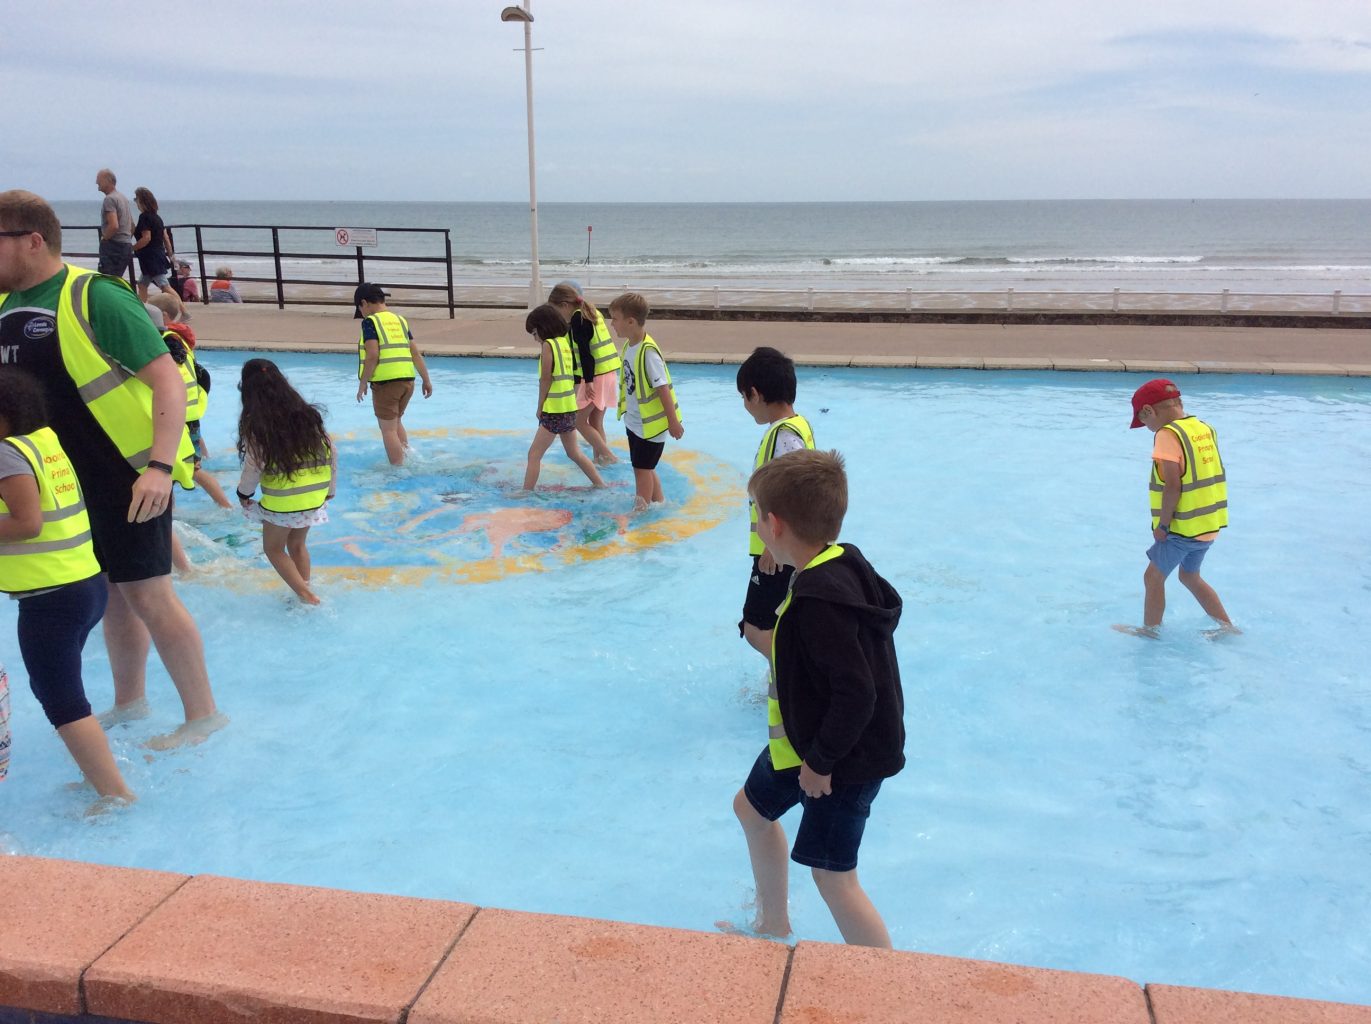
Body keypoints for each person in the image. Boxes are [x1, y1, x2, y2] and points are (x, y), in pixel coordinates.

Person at [0, 189, 224, 751]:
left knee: (149, 594)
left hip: (126, 476)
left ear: (32, 241)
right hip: (63, 482)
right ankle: (130, 701)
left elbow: (168, 380)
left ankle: (203, 716)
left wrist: (160, 467)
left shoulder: (93, 296)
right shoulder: (5, 305)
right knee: (112, 594)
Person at [725, 449, 905, 948]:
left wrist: (821, 764)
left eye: (756, 516)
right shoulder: (833, 562)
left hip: (841, 761)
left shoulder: (819, 602)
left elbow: (858, 694)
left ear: (775, 525)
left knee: (833, 876)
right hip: (802, 744)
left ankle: (888, 981)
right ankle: (772, 925)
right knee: (751, 811)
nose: (755, 527)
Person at [0, 366, 135, 803]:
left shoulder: (5, 454)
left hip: (52, 598)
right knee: (57, 691)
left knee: (63, 702)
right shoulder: (43, 441)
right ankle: (100, 776)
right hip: (84, 584)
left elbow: (27, 522)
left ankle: (115, 795)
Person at [1114, 379, 1236, 637]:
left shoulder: (1167, 435)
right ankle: (1227, 627)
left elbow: (1172, 485)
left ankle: (1150, 631)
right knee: (1190, 577)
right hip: (1208, 525)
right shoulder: (1203, 428)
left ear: (1149, 410)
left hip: (1182, 528)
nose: (1147, 428)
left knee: (1153, 577)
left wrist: (1163, 525)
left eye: (1144, 421)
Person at [235, 359, 336, 605]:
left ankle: (307, 596)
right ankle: (304, 590)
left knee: (273, 549)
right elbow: (330, 451)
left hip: (283, 501)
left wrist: (244, 494)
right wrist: (330, 489)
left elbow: (253, 466)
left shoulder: (257, 425)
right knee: (298, 544)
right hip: (314, 494)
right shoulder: (308, 415)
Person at [737, 347, 815, 657]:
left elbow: (794, 494)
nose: (745, 406)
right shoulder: (796, 426)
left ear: (755, 394)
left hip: (777, 552)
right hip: (783, 548)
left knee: (756, 627)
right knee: (778, 621)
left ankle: (792, 675)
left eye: (744, 397)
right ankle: (780, 677)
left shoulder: (784, 437)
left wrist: (772, 547)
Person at [147, 294, 231, 511]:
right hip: (189, 413)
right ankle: (171, 513)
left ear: (163, 316)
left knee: (187, 468)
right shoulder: (181, 339)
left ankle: (225, 506)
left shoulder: (165, 342)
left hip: (177, 415)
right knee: (177, 465)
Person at [609, 292, 683, 510]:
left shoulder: (648, 353)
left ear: (630, 322)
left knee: (642, 470)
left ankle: (640, 512)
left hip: (650, 428)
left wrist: (673, 422)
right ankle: (659, 504)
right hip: (636, 422)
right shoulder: (629, 346)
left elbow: (663, 389)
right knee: (644, 468)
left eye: (615, 319)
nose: (612, 324)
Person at [522, 304, 606, 492]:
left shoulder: (548, 345)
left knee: (534, 455)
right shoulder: (564, 343)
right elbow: (574, 376)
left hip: (554, 410)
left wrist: (540, 406)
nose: (535, 339)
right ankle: (600, 484)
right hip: (569, 408)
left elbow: (546, 379)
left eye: (534, 333)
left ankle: (525, 493)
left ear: (543, 327)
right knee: (574, 453)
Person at [353, 283, 433, 466]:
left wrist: (363, 383)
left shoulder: (370, 322)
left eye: (359, 309)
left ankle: (398, 468)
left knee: (387, 429)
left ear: (364, 303)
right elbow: (415, 353)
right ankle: (407, 456)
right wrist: (426, 380)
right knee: (396, 422)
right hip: (408, 381)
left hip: (386, 384)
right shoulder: (400, 320)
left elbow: (372, 355)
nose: (362, 314)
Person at [548, 281, 618, 465]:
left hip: (596, 375)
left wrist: (588, 382)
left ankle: (608, 456)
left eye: (556, 311)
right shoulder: (592, 311)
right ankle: (600, 460)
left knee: (578, 421)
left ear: (565, 305)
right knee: (596, 421)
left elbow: (585, 353)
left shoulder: (578, 319)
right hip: (609, 372)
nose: (557, 316)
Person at [131, 188, 176, 302]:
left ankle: (183, 309)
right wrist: (170, 255)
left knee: (165, 286)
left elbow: (146, 238)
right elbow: (165, 238)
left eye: (136, 199)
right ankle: (142, 308)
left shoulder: (144, 217)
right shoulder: (157, 217)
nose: (135, 202)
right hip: (156, 255)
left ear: (141, 201)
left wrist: (131, 248)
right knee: (142, 284)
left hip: (151, 258)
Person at [95, 169, 133, 279]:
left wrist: (104, 238)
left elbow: (114, 225)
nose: (96, 182)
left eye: (99, 180)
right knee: (116, 279)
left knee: (106, 280)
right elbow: (132, 225)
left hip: (113, 246)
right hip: (126, 245)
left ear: (108, 181)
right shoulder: (123, 198)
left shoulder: (109, 199)